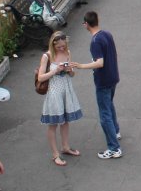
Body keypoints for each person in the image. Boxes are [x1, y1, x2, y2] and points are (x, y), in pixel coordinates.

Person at [73, 11, 122, 159]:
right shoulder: (107, 34)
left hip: (103, 81)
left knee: (104, 114)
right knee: (109, 105)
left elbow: (100, 63)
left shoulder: (95, 41)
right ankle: (116, 131)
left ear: (86, 24)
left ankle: (114, 148)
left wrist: (80, 66)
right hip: (113, 77)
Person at [37, 31, 82, 167]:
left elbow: (72, 75)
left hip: (66, 90)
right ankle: (55, 154)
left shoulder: (68, 52)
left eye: (64, 46)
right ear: (53, 44)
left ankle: (65, 147)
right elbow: (40, 77)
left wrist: (70, 70)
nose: (62, 48)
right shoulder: (47, 56)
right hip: (54, 92)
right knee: (53, 124)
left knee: (65, 121)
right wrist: (55, 71)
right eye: (59, 47)